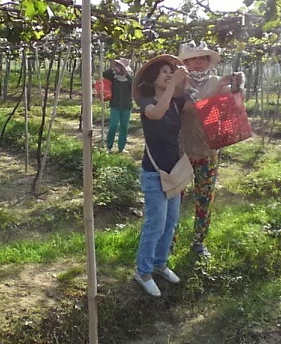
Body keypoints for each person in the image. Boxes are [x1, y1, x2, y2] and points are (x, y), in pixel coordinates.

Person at [177, 43, 243, 258]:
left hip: (208, 149)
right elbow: (192, 109)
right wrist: (219, 88)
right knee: (175, 198)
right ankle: (169, 239)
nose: (198, 62)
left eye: (202, 58)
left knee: (204, 198)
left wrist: (237, 87)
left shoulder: (217, 81)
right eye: (193, 59)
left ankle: (199, 241)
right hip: (181, 149)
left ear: (208, 62)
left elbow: (231, 105)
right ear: (185, 62)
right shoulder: (179, 83)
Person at [131, 54, 190, 297]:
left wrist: (224, 86)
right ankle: (143, 272)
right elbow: (156, 113)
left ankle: (160, 264)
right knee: (155, 224)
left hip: (174, 172)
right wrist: (174, 83)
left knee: (170, 223)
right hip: (155, 173)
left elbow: (199, 105)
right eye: (164, 72)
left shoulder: (176, 103)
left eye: (170, 71)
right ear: (153, 79)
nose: (169, 74)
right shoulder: (147, 103)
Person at [102, 57, 134, 153]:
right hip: (115, 105)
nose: (118, 68)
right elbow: (104, 74)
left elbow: (133, 90)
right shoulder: (113, 77)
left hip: (126, 106)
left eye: (120, 66)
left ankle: (121, 147)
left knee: (124, 127)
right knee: (114, 125)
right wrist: (113, 69)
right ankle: (109, 146)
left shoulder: (129, 79)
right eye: (117, 65)